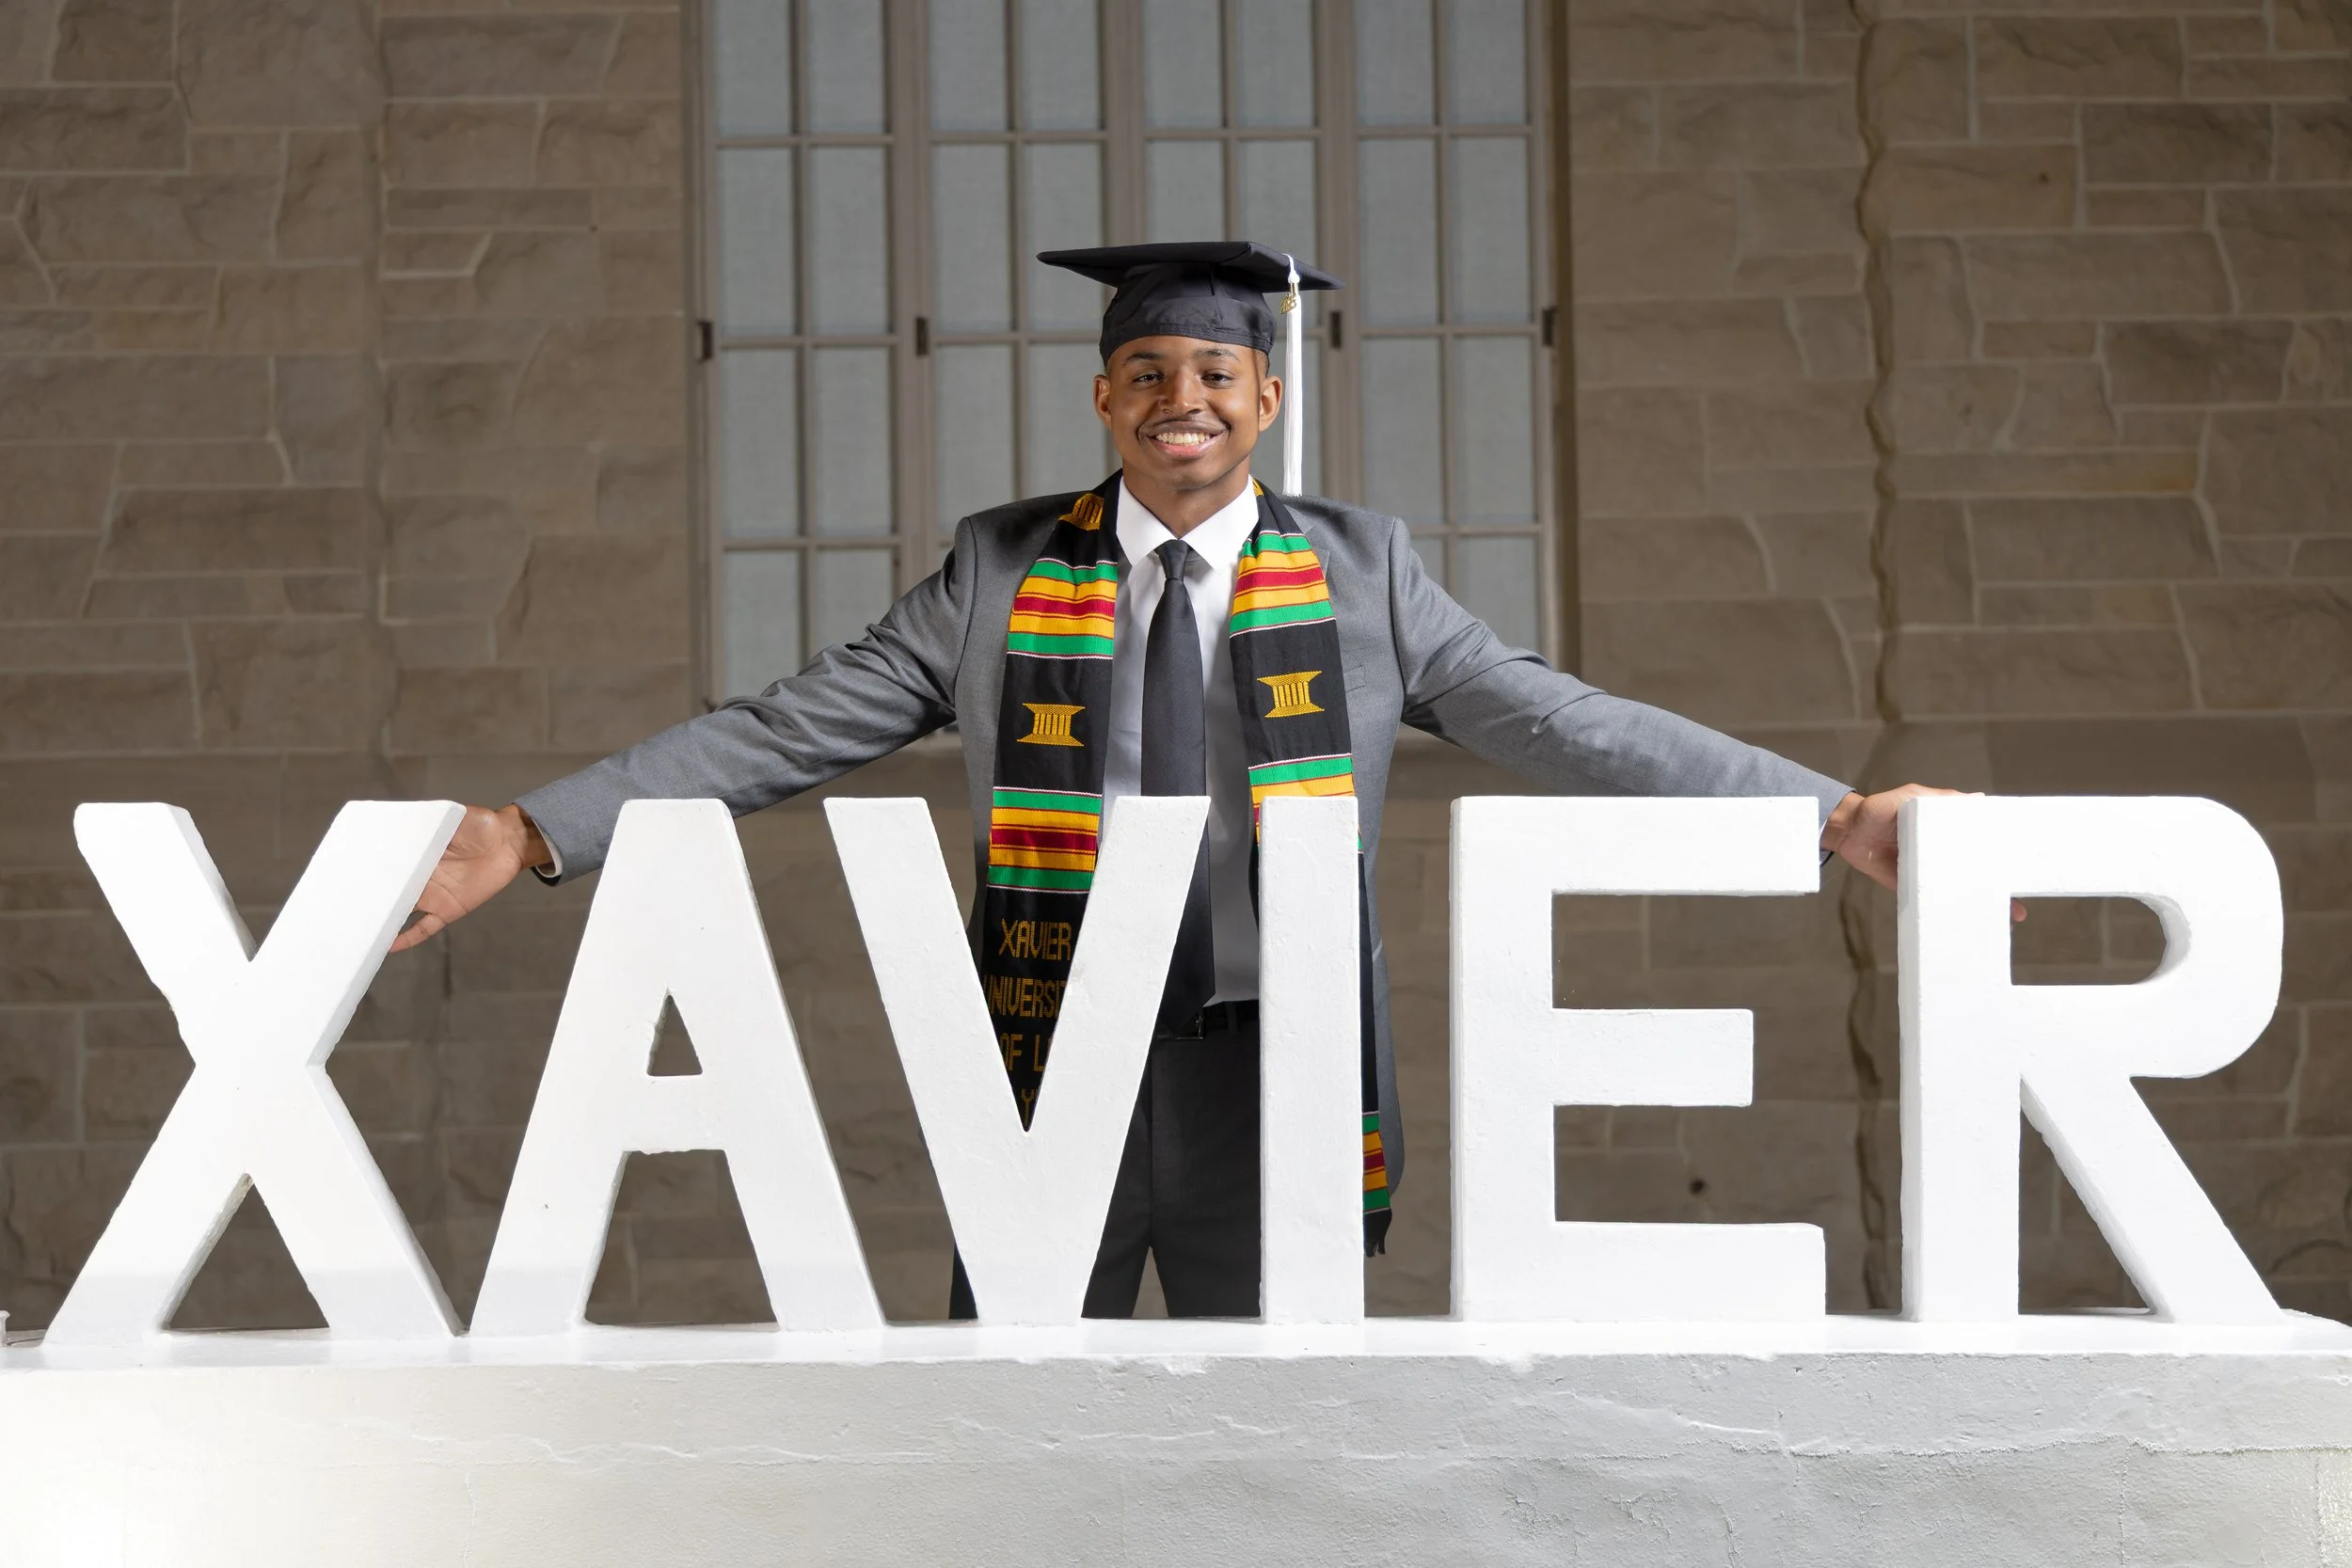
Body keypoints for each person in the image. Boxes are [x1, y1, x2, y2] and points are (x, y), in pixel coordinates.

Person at [391, 239, 1951, 1321]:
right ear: (1103, 398)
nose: (1180, 396)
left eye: (1216, 368)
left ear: (1267, 396)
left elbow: (1568, 721)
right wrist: (532, 832)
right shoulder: (1001, 571)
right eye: (1146, 370)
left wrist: (1829, 813)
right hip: (1051, 1056)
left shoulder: (1365, 575)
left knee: (1276, 1451)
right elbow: (783, 726)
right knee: (1016, 1438)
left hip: (1273, 1070)